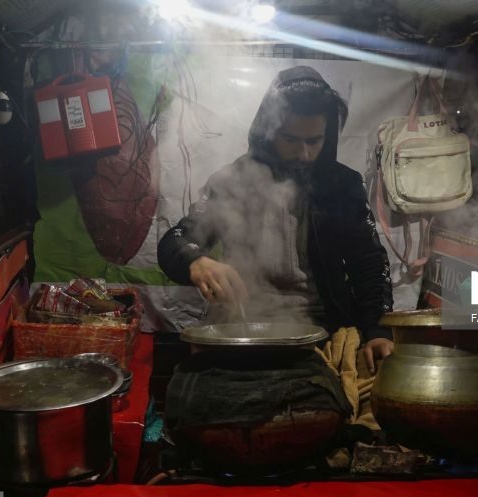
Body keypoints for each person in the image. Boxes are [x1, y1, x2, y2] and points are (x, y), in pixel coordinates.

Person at [158, 65, 394, 373]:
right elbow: (176, 239)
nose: (304, 153)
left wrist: (377, 331)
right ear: (268, 131)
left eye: (314, 141)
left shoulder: (342, 185)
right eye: (290, 139)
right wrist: (196, 261)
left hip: (322, 330)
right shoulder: (232, 180)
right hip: (243, 324)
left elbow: (369, 264)